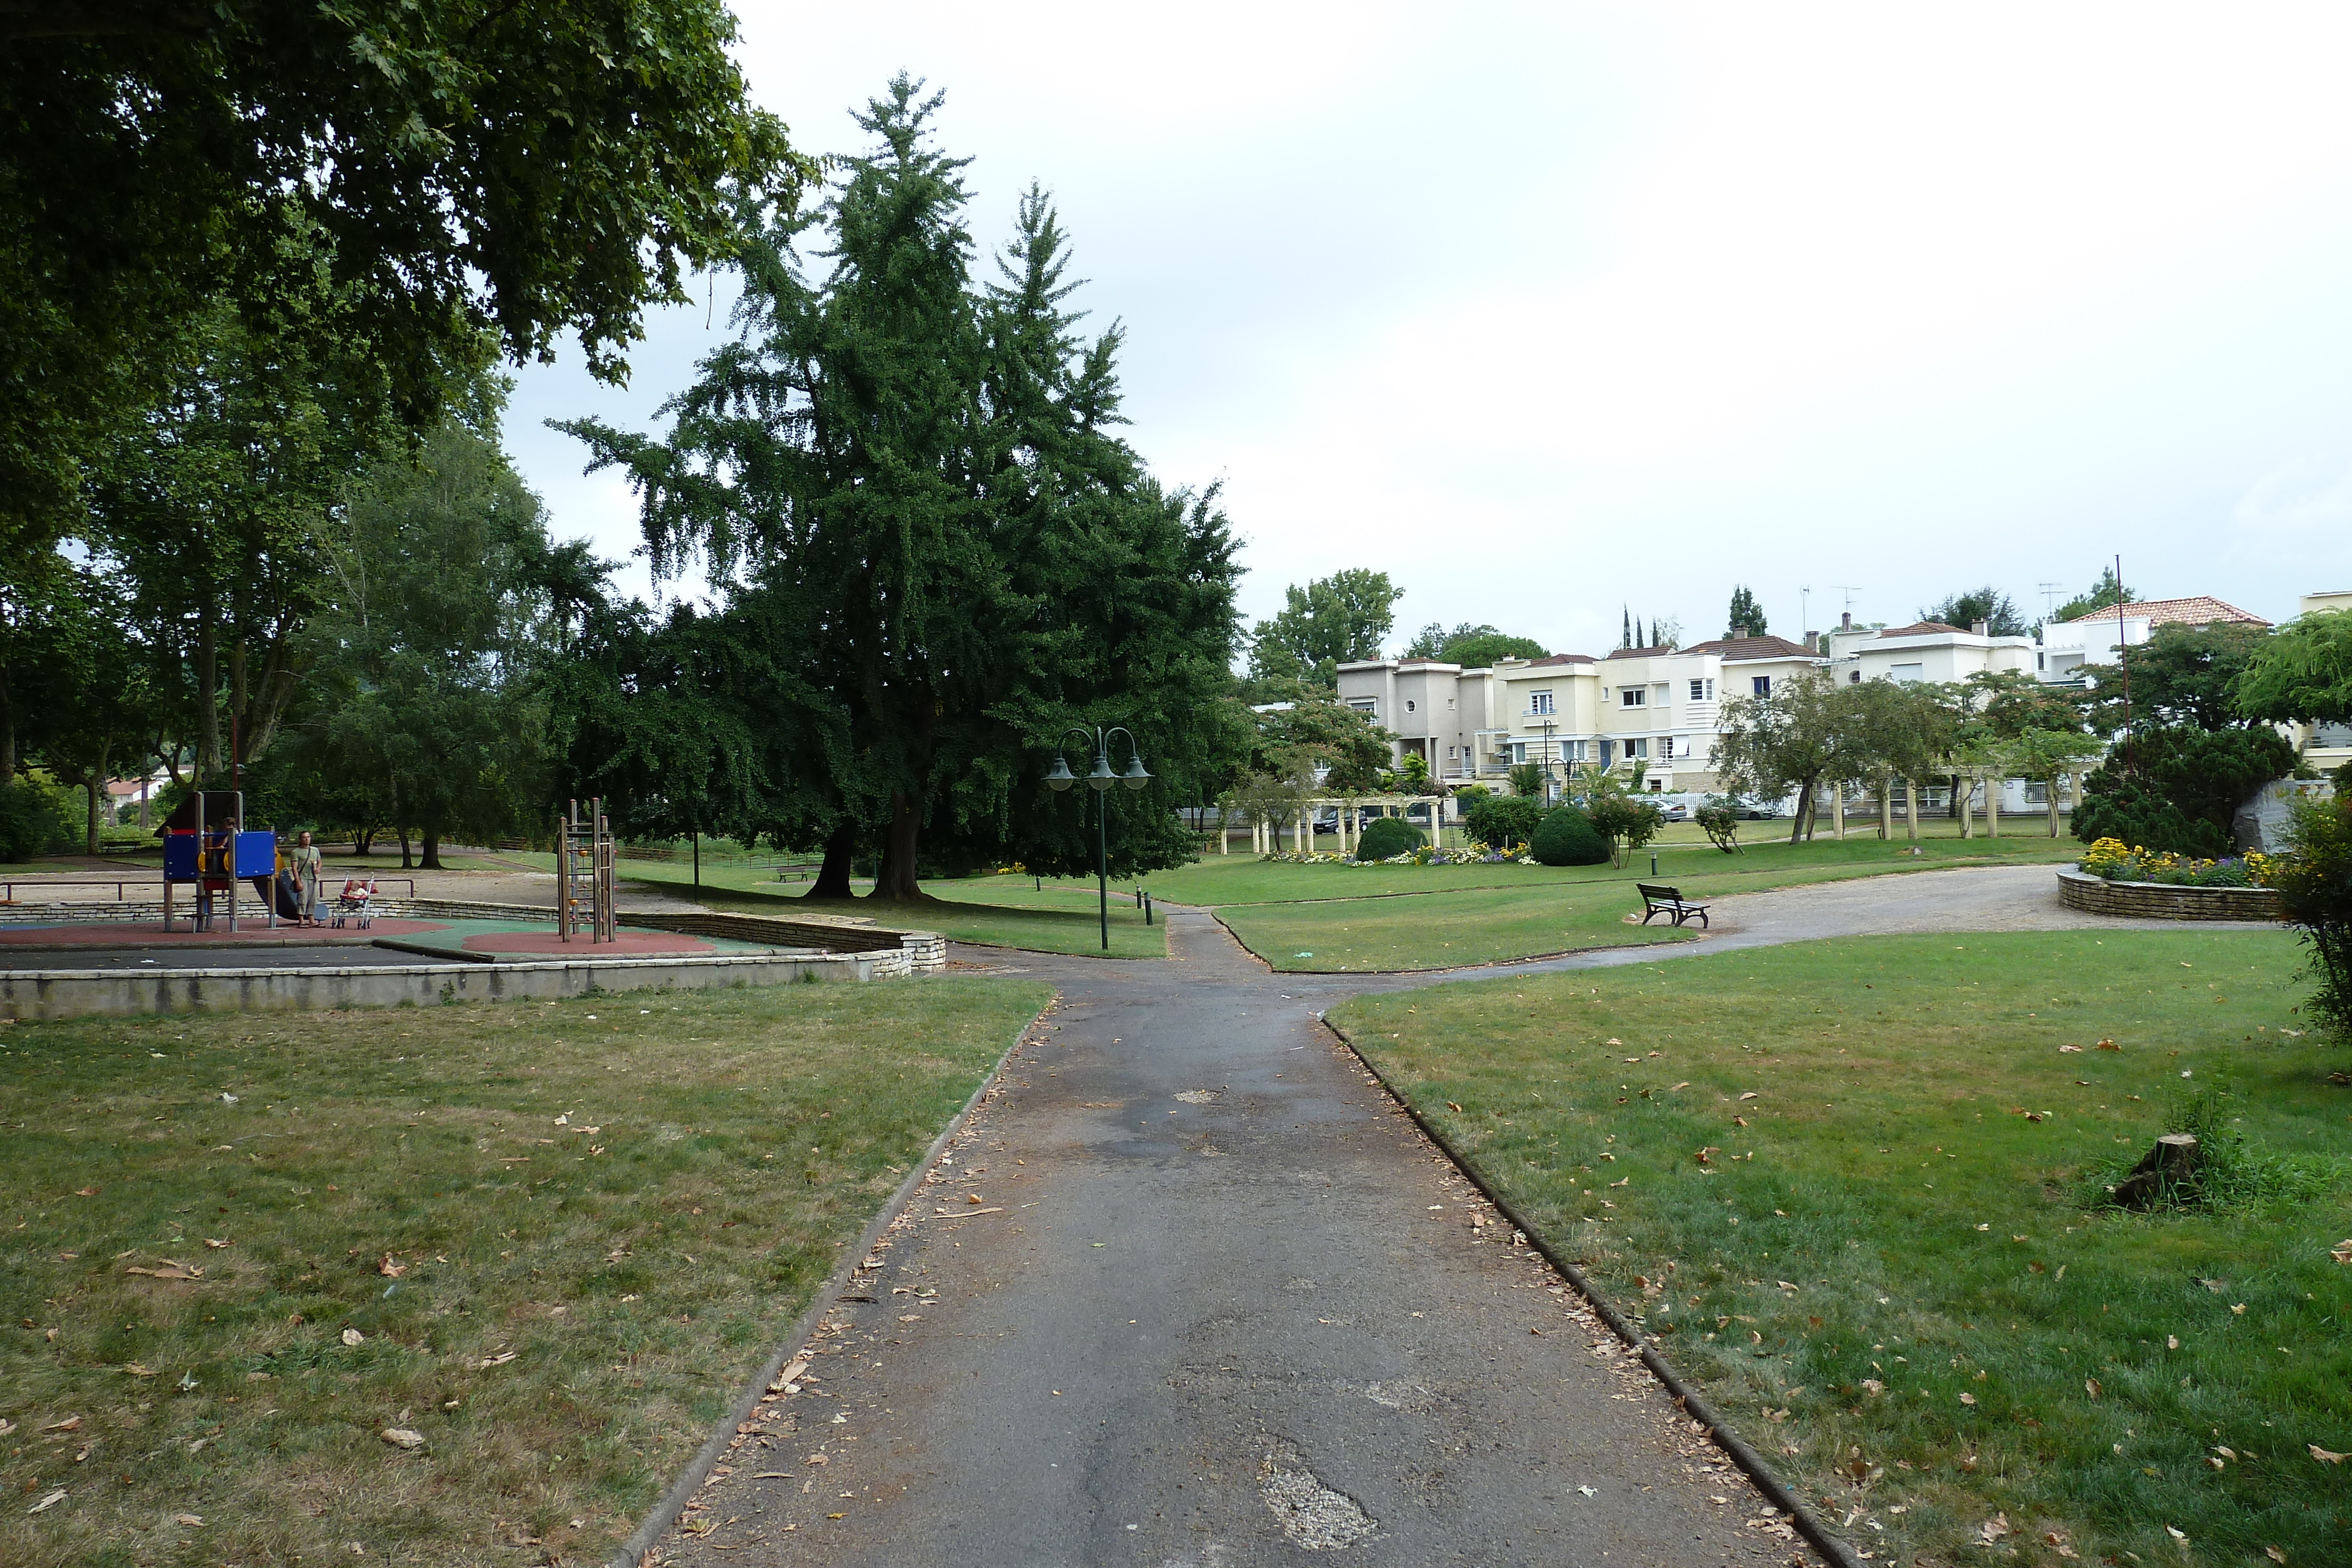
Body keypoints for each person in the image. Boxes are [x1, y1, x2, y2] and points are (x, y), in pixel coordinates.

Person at [292, 831, 324, 926]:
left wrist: (318, 868)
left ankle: (311, 919)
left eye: (308, 837)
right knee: (303, 899)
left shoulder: (315, 850)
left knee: (313, 899)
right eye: (304, 837)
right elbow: (294, 868)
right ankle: (301, 920)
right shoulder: (296, 852)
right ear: (300, 839)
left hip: (313, 878)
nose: (307, 839)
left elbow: (320, 862)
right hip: (303, 878)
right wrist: (298, 881)